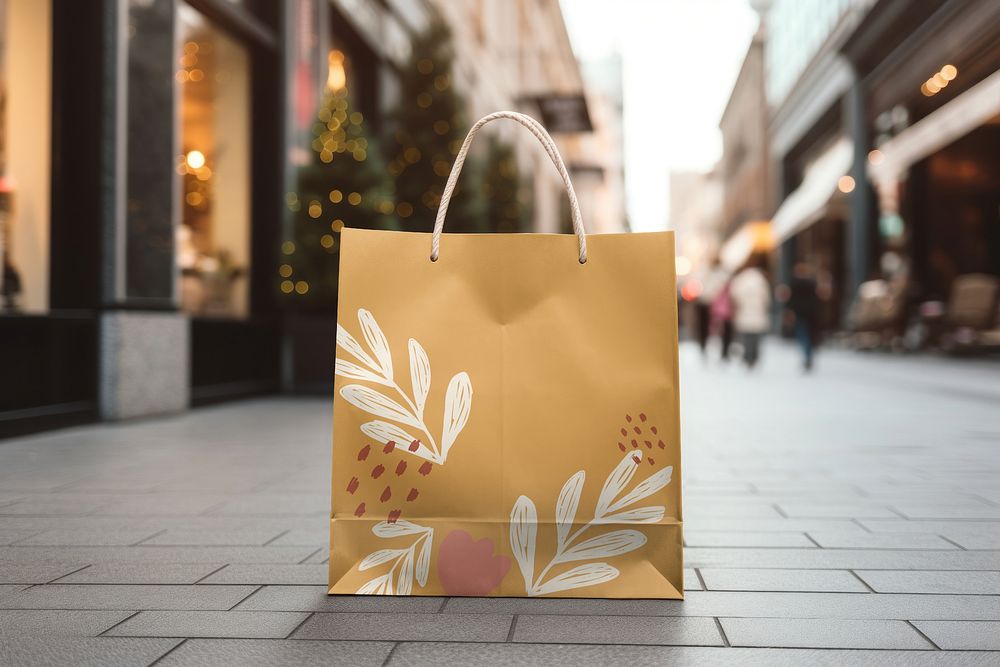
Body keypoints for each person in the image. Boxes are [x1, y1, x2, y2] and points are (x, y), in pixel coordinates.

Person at [729, 255, 771, 369]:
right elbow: (766, 296)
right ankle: (754, 357)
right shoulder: (761, 279)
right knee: (755, 336)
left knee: (746, 336)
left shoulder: (741, 278)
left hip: (744, 310)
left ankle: (747, 356)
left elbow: (734, 294)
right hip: (757, 311)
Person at [783, 261, 821, 371]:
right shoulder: (812, 283)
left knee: (802, 335)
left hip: (800, 313)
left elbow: (790, 299)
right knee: (808, 335)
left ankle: (807, 356)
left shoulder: (794, 283)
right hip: (810, 314)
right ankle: (808, 355)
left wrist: (789, 311)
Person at [695, 257, 729, 358]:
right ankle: (708, 347)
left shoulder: (712, 273)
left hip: (708, 303)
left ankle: (705, 346)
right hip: (713, 304)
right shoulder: (721, 275)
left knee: (706, 327)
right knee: (713, 328)